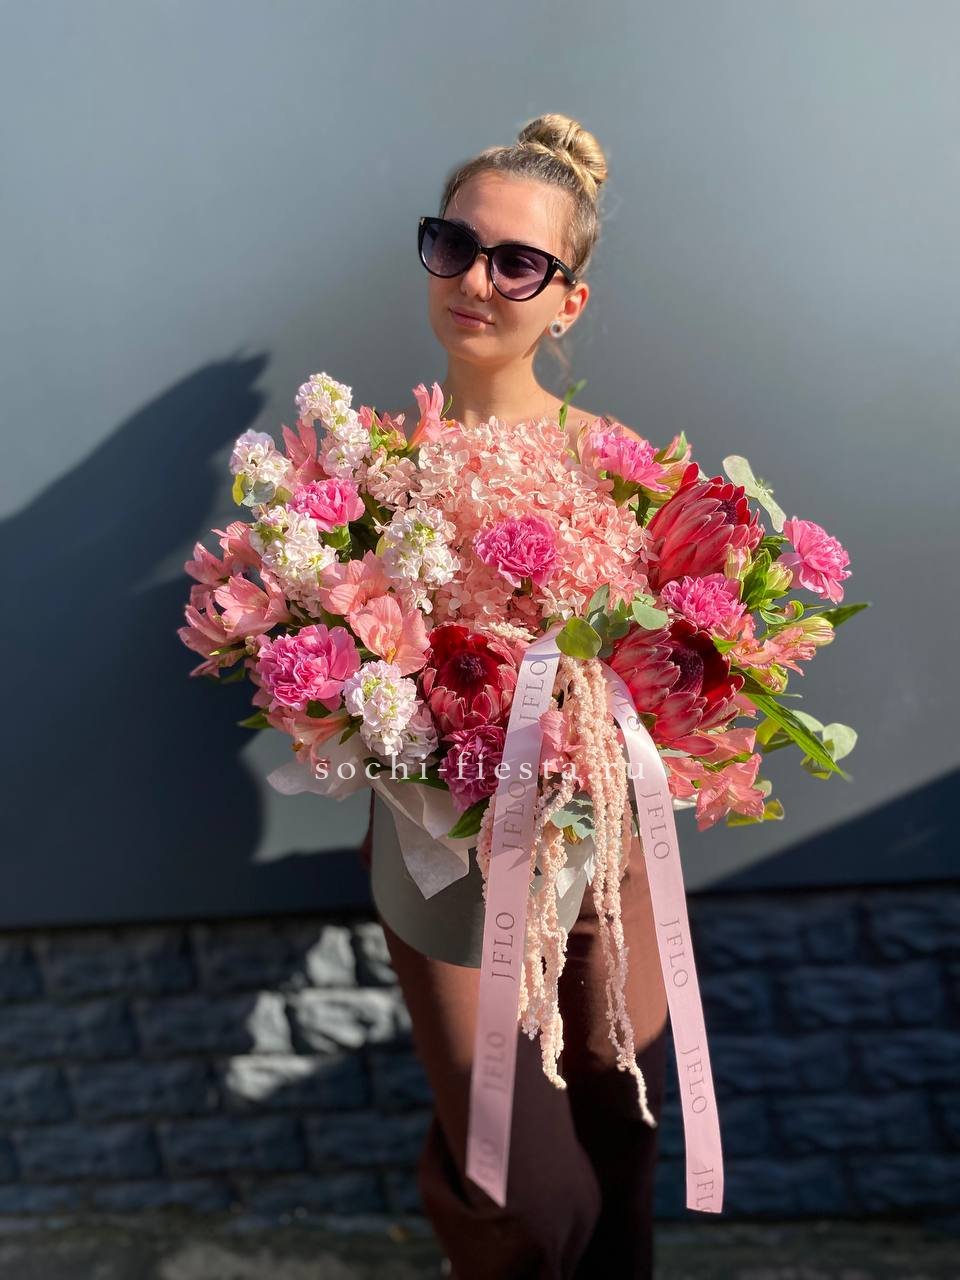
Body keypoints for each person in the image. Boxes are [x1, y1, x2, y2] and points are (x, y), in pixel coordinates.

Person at [358, 113, 670, 1280]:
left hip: (601, 858)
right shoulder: (373, 475)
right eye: (455, 244)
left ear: (567, 300)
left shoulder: (619, 463)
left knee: (619, 1151)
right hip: (442, 866)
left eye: (518, 262)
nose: (476, 280)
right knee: (527, 1196)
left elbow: (682, 674)